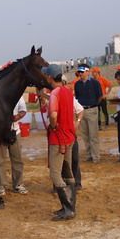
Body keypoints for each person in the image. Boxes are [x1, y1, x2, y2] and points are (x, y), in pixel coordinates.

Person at [41, 64, 77, 221]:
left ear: (50, 77)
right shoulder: (67, 91)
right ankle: (70, 205)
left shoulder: (55, 93)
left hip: (58, 138)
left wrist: (53, 125)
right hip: (69, 137)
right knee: (67, 172)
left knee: (55, 174)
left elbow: (54, 114)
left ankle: (68, 209)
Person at [0, 96, 28, 196]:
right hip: (0, 133)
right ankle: (1, 185)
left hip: (15, 132)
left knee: (17, 159)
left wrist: (15, 118)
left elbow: (23, 111)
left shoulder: (18, 96)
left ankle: (18, 184)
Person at [74, 64, 103, 163]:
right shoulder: (77, 84)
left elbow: (100, 96)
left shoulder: (95, 83)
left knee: (93, 134)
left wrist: (94, 105)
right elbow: (77, 97)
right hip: (82, 110)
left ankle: (96, 156)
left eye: (82, 72)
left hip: (92, 110)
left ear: (88, 71)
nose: (80, 74)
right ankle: (89, 155)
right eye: (79, 72)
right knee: (85, 135)